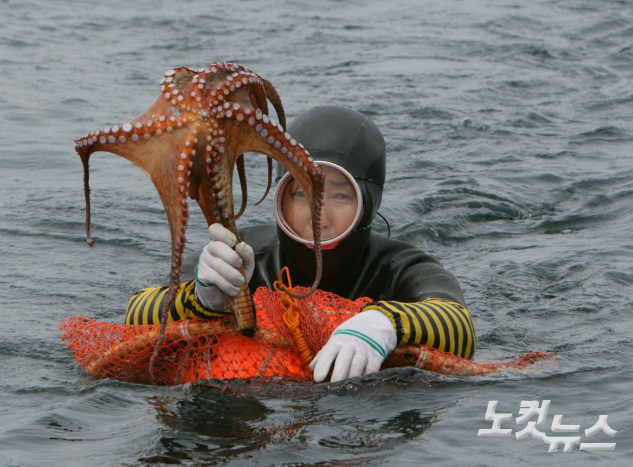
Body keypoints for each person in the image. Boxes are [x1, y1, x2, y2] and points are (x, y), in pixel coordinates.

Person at [125, 106, 476, 383]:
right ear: (280, 197)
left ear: (369, 201)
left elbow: (460, 326)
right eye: (300, 193)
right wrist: (200, 299)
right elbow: (134, 317)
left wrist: (384, 323)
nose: (319, 216)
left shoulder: (401, 268)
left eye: (341, 195)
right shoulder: (243, 257)